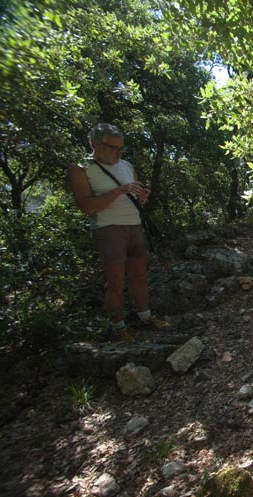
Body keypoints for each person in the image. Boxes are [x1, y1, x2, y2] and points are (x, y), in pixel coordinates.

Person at [68, 123, 168, 342]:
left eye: (121, 148)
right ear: (95, 144)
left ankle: (146, 316)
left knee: (140, 274)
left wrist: (142, 196)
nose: (118, 152)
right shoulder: (81, 168)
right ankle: (118, 326)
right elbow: (86, 206)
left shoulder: (127, 165)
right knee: (116, 280)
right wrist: (119, 190)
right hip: (108, 228)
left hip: (134, 224)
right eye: (113, 148)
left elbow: (137, 197)